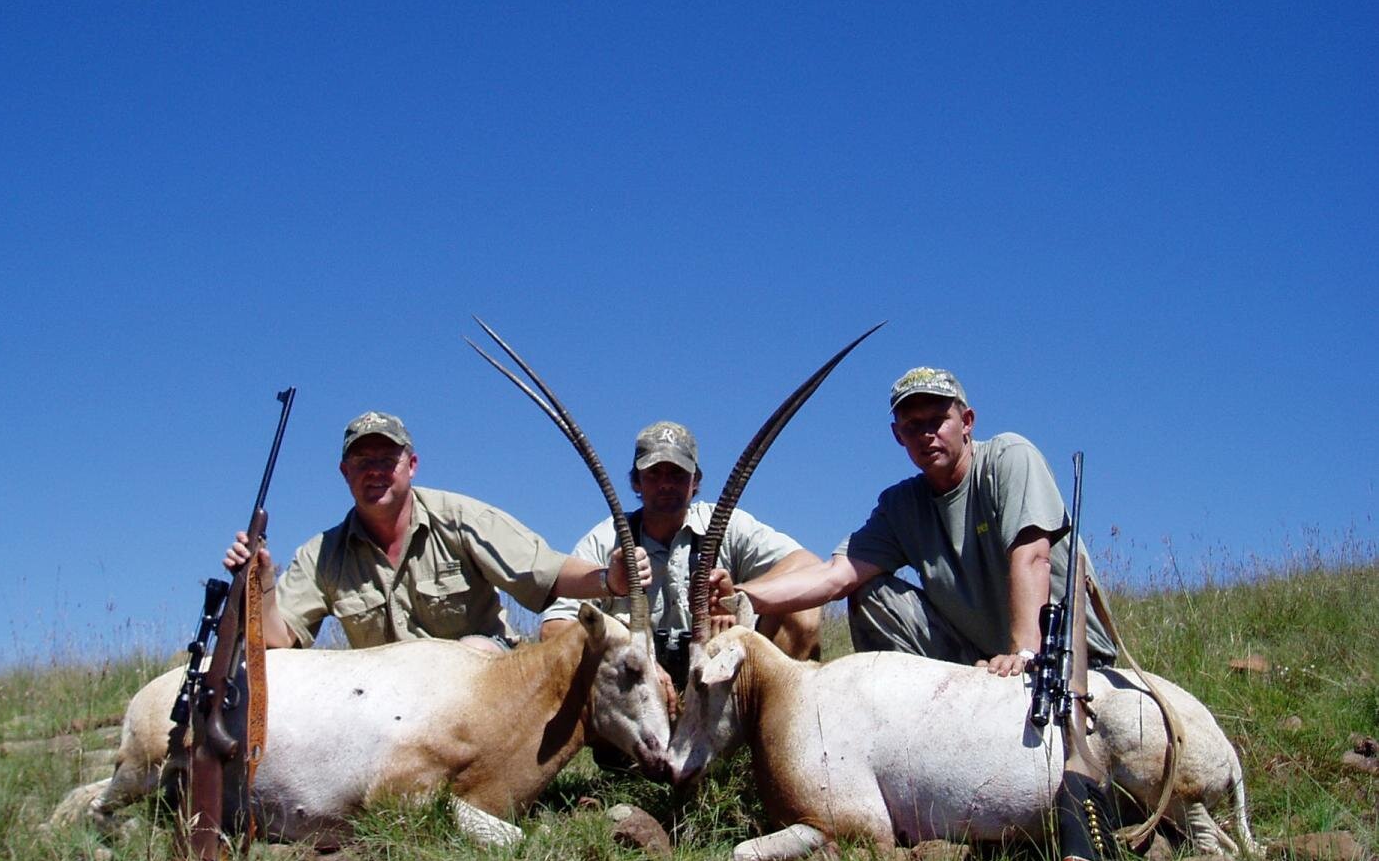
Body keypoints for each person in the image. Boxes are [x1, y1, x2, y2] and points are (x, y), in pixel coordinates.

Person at [732, 368, 1116, 676]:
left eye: (938, 420)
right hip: (982, 661)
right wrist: (743, 595)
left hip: (1064, 655)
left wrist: (1025, 654)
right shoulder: (901, 505)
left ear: (967, 421)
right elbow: (835, 575)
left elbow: (1033, 559)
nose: (926, 435)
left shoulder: (1009, 458)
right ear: (898, 435)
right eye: (912, 426)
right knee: (870, 595)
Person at [227, 410, 651, 654]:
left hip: (479, 685)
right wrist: (259, 584)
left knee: (477, 651)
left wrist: (608, 581)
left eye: (387, 460)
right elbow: (279, 643)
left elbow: (548, 572)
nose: (374, 471)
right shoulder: (322, 554)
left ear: (411, 466)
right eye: (361, 462)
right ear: (344, 472)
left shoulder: (461, 517)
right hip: (389, 704)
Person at [540, 421, 823, 708]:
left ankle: (763, 741)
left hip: (722, 689)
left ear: (695, 481)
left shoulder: (729, 524)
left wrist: (740, 599)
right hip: (634, 696)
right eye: (653, 473)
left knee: (803, 611)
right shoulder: (605, 538)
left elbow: (808, 565)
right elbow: (553, 629)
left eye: (677, 473)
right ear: (636, 481)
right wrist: (631, 652)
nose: (665, 483)